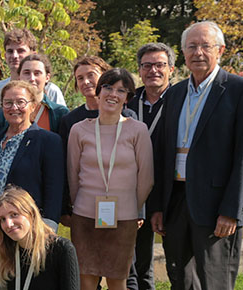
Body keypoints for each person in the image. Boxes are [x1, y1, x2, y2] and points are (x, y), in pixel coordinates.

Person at [149, 21, 243, 289]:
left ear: (220, 50)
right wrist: (158, 206)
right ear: (183, 52)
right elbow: (163, 152)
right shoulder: (174, 94)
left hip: (216, 206)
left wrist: (231, 210)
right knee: (180, 279)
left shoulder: (241, 91)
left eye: (205, 46)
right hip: (176, 201)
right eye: (191, 46)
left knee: (215, 281)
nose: (198, 52)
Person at [66, 68, 154, 290]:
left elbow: (146, 177)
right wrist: (80, 204)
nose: (113, 94)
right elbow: (72, 174)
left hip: (123, 218)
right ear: (98, 92)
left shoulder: (137, 130)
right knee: (86, 280)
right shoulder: (79, 130)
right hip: (85, 216)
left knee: (117, 281)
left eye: (121, 90)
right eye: (107, 87)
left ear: (127, 98)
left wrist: (133, 207)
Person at [0, 81, 65, 235]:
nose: (14, 107)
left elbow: (54, 189)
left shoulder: (48, 141)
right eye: (8, 103)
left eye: (21, 102)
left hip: (30, 229)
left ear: (33, 106)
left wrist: (48, 228)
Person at [124, 42, 175, 290]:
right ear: (139, 70)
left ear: (171, 69)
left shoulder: (182, 101)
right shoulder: (128, 103)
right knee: (134, 262)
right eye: (147, 65)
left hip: (171, 193)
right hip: (133, 194)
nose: (153, 70)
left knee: (176, 262)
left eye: (160, 65)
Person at [0, 187, 79, 290]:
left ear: (31, 214)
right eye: (2, 219)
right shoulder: (5, 253)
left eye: (14, 215)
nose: (8, 224)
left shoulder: (62, 249)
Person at [55, 56, 137, 145]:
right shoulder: (70, 120)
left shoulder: (126, 116)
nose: (86, 81)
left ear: (105, 76)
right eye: (80, 78)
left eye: (91, 75)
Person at [0, 54, 70, 135]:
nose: (32, 78)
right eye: (26, 73)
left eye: (37, 73)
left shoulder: (59, 113)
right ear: (19, 77)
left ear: (47, 77)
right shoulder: (3, 113)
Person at [0, 28, 66, 107]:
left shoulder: (51, 91)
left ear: (33, 54)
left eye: (20, 51)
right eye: (10, 51)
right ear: (5, 56)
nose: (14, 56)